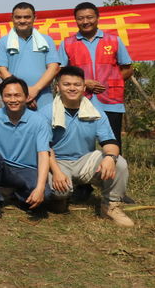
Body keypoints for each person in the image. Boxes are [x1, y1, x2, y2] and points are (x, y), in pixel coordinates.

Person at [42, 66, 134, 226]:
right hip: (57, 162)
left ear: (84, 88)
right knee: (60, 191)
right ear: (57, 87)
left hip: (85, 161)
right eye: (66, 84)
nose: (72, 88)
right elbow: (44, 147)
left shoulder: (95, 111)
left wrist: (110, 158)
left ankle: (110, 206)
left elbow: (110, 142)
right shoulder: (46, 112)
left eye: (77, 84)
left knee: (119, 162)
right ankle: (59, 199)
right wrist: (56, 172)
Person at [58, 2, 133, 148]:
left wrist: (110, 83)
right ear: (75, 20)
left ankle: (113, 163)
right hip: (79, 101)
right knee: (81, 143)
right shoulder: (67, 43)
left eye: (89, 17)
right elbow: (60, 72)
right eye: (80, 18)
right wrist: (83, 83)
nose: (85, 21)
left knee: (113, 142)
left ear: (98, 18)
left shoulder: (114, 40)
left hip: (111, 101)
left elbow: (128, 69)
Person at [0, 77, 52, 219]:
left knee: (45, 195)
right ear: (2, 97)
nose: (13, 100)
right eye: (8, 95)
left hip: (27, 169)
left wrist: (40, 188)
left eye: (17, 95)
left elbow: (44, 154)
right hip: (2, 168)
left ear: (26, 97)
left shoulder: (39, 121)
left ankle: (17, 194)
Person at [0, 2, 60, 109]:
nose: (22, 21)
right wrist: (22, 92)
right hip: (15, 99)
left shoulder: (46, 40)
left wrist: (35, 89)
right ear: (12, 18)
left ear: (35, 18)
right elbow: (2, 71)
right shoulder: (3, 42)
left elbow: (54, 68)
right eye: (18, 17)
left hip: (43, 98)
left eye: (27, 17)